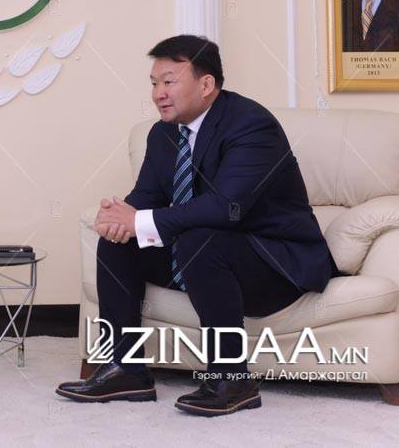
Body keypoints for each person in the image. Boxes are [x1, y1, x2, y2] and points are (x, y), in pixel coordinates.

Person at [55, 35, 336, 417]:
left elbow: (226, 208)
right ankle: (125, 369)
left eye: (169, 81)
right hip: (207, 259)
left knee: (200, 241)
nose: (158, 93)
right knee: (121, 244)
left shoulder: (252, 125)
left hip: (274, 264)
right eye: (154, 83)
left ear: (206, 84)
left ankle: (232, 380)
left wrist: (138, 220)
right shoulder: (163, 133)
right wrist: (120, 216)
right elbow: (148, 196)